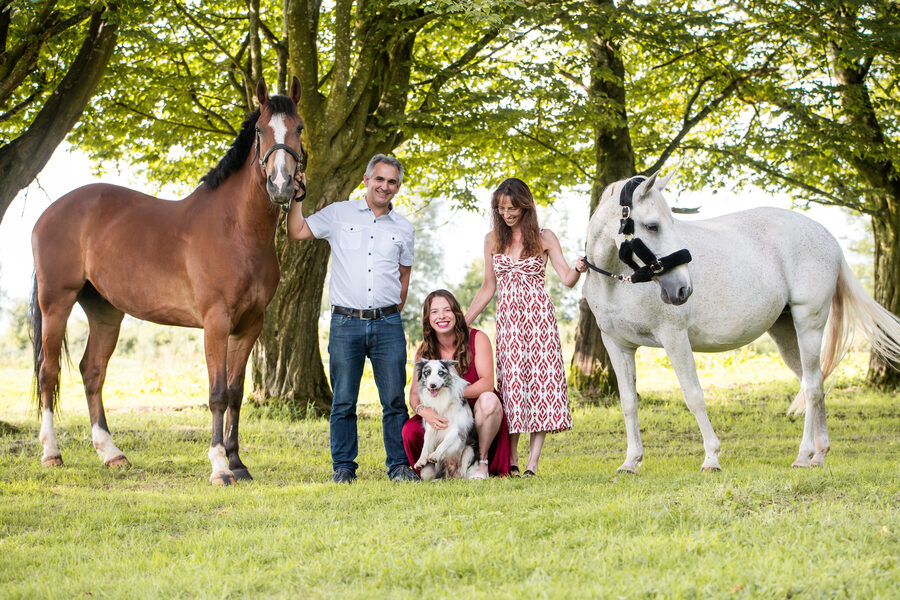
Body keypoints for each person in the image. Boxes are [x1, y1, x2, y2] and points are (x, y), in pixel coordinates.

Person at [287, 154, 420, 483]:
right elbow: (297, 231)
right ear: (366, 180)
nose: (384, 186)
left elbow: (404, 276)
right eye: (379, 179)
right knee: (344, 400)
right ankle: (344, 468)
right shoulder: (339, 214)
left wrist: (390, 310)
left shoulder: (404, 228)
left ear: (398, 187)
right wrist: (296, 199)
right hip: (345, 324)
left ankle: (399, 466)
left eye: (391, 182)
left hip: (388, 325)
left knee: (394, 399)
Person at [464, 178, 586, 477]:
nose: (507, 213)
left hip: (540, 319)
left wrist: (580, 269)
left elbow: (567, 279)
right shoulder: (492, 239)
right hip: (509, 322)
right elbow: (487, 287)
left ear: (525, 205)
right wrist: (463, 322)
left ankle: (532, 463)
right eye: (501, 208)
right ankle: (513, 458)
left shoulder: (544, 237)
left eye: (513, 207)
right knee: (512, 385)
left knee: (542, 385)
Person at [402, 290, 511, 479]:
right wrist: (423, 410)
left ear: (456, 314)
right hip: (441, 411)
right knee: (410, 431)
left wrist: (451, 393)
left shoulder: (478, 338)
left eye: (447, 310)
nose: (441, 316)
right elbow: (414, 394)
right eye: (434, 312)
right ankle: (440, 469)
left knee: (489, 400)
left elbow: (487, 383)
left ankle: (482, 463)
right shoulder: (424, 351)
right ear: (428, 318)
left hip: (476, 410)